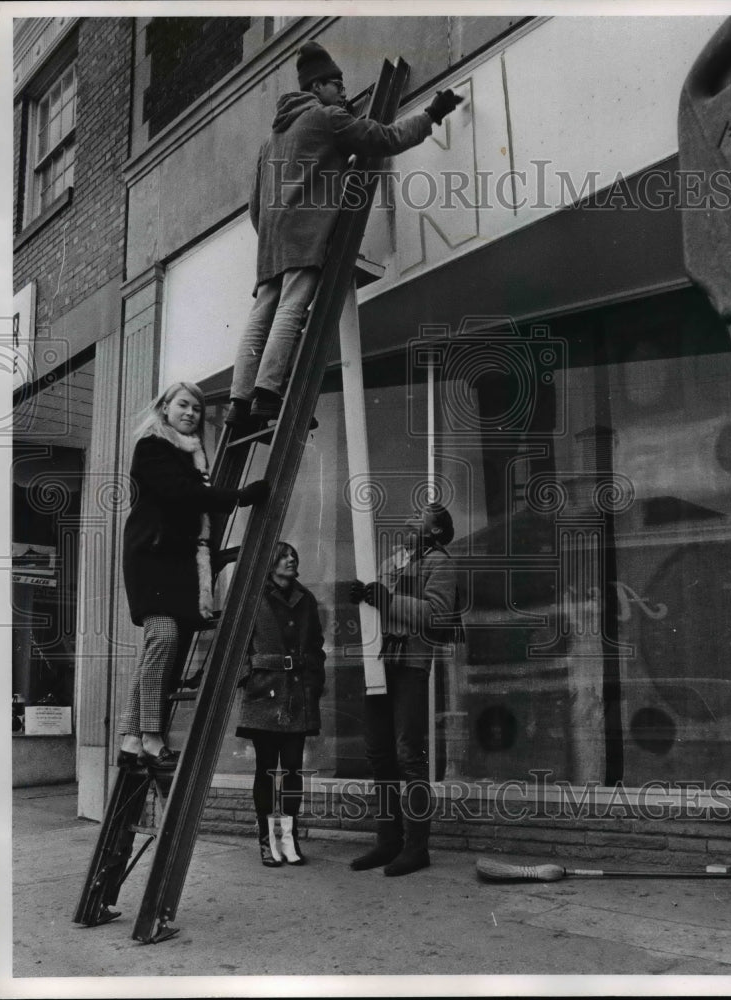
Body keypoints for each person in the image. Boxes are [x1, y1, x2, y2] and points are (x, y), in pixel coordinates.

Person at [226, 40, 463, 428]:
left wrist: (275, 232)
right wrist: (432, 115)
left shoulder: (269, 142)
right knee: (291, 309)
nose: (343, 90)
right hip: (304, 240)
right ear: (316, 88)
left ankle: (239, 402)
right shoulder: (326, 119)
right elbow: (386, 139)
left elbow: (255, 207)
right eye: (336, 83)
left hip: (271, 244)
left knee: (261, 315)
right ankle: (268, 395)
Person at [118, 382, 269, 772]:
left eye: (198, 409)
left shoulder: (193, 456)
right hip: (152, 557)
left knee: (159, 647)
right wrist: (237, 496)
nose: (190, 413)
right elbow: (179, 494)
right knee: (164, 638)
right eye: (183, 405)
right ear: (164, 408)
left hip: (177, 563)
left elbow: (189, 502)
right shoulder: (151, 446)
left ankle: (131, 738)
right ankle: (150, 737)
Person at [349, 502, 462, 876]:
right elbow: (379, 607)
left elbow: (436, 614)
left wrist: (385, 599)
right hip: (380, 663)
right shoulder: (396, 560)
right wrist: (365, 596)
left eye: (420, 517)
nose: (410, 518)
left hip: (411, 665)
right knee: (379, 753)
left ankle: (417, 848)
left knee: (409, 756)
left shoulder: (441, 563)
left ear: (433, 531)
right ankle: (388, 842)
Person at [236, 541, 326, 867]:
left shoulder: (306, 599)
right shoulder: (253, 599)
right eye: (284, 556)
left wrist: (314, 685)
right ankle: (266, 840)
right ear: (270, 562)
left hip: (297, 695)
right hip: (264, 695)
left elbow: (316, 648)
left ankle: (289, 838)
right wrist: (249, 678)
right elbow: (238, 647)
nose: (291, 559)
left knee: (292, 769)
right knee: (265, 770)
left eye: (293, 555)